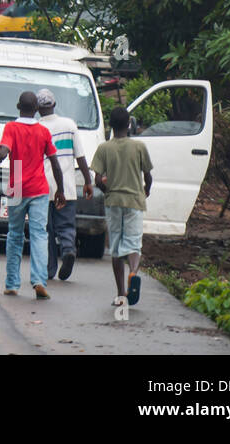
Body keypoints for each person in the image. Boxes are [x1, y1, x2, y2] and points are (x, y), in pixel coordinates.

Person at [0, 91, 66, 299]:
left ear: (17, 106)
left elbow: (4, 152)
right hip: (39, 189)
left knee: (14, 234)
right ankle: (39, 281)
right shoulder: (43, 131)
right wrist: (60, 189)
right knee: (39, 235)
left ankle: (12, 283)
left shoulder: (11, 128)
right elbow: (55, 163)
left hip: (16, 188)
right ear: (37, 111)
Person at [91, 105, 154, 308]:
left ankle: (120, 294)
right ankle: (134, 272)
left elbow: (97, 179)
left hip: (114, 201)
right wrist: (147, 189)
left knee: (116, 248)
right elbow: (148, 175)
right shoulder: (139, 147)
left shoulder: (104, 148)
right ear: (129, 124)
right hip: (134, 201)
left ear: (110, 125)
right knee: (134, 244)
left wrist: (107, 188)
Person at [37, 88, 93, 281]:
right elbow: (80, 156)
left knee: (46, 230)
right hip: (66, 187)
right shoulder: (69, 125)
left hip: (43, 188)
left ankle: (50, 269)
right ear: (54, 105)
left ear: (38, 108)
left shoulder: (37, 128)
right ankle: (68, 248)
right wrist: (88, 181)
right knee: (66, 225)